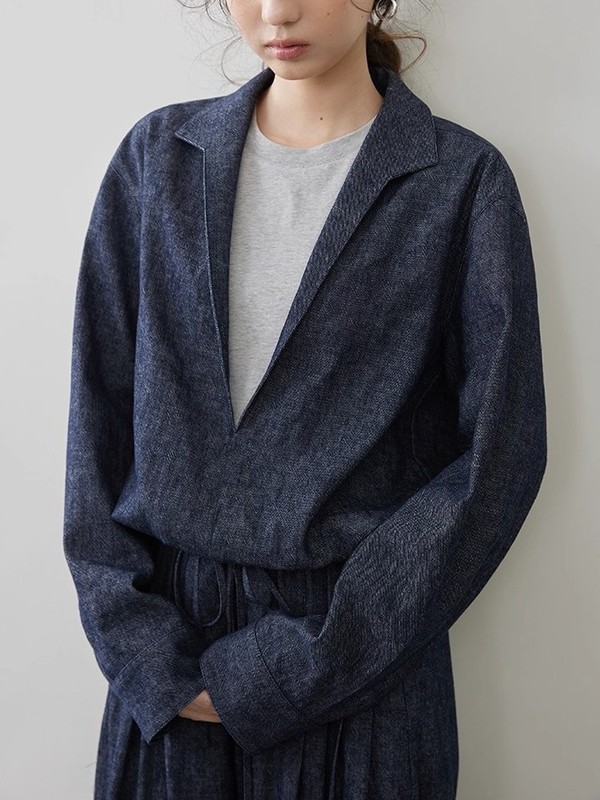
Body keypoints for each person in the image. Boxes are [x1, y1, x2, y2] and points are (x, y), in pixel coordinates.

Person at [62, 0, 547, 797]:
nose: (276, 11)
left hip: (362, 677)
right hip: (168, 678)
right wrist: (142, 653)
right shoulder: (159, 158)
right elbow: (96, 423)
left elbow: (500, 454)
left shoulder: (460, 180)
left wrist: (300, 668)